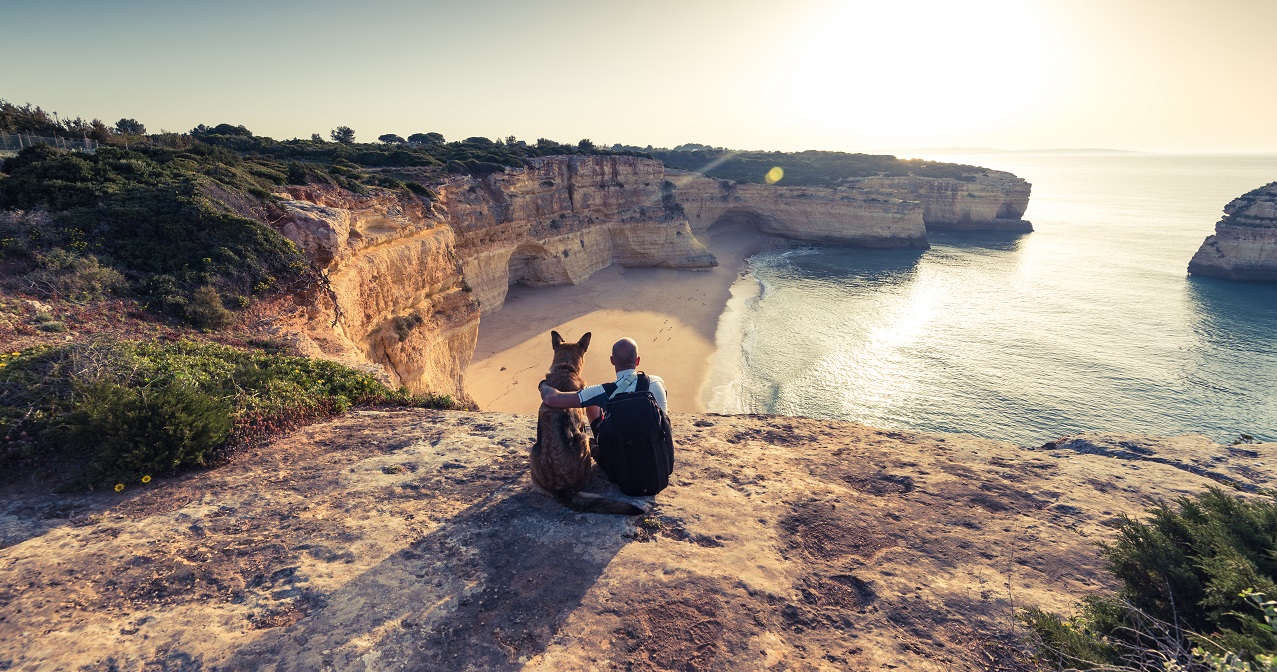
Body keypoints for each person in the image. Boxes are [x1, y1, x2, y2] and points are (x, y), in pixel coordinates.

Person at [538, 337, 674, 495]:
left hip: (621, 473)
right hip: (659, 466)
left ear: (612, 361)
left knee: (592, 403)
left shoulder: (602, 391)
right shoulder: (657, 382)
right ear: (637, 361)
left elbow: (552, 399)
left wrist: (543, 384)